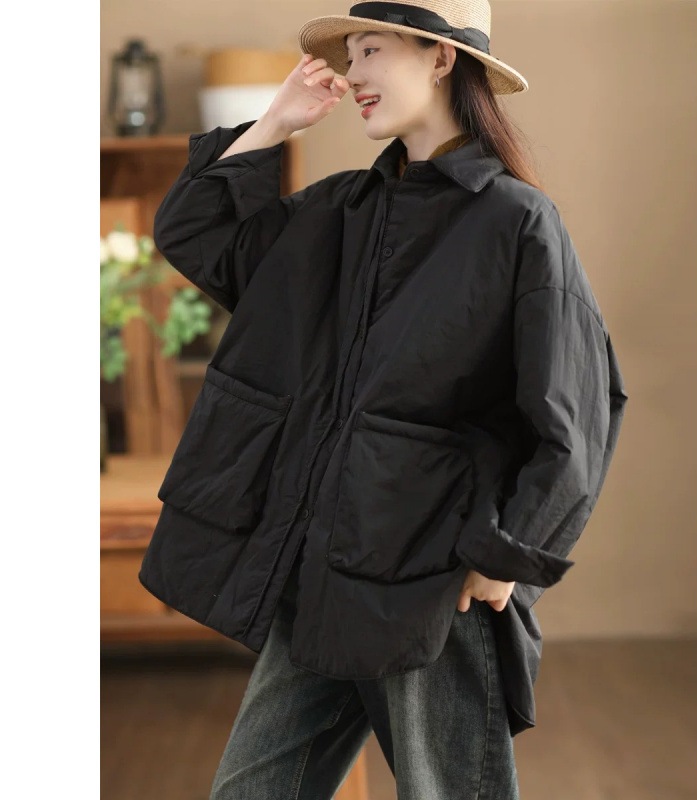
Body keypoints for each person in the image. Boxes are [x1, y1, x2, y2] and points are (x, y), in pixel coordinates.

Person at [138, 1, 629, 798]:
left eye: (371, 51)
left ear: (440, 58)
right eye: (352, 55)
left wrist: (505, 557)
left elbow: (578, 405)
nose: (353, 73)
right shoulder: (336, 212)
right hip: (322, 573)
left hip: (433, 586)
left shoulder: (517, 222)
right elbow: (197, 233)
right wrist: (275, 122)